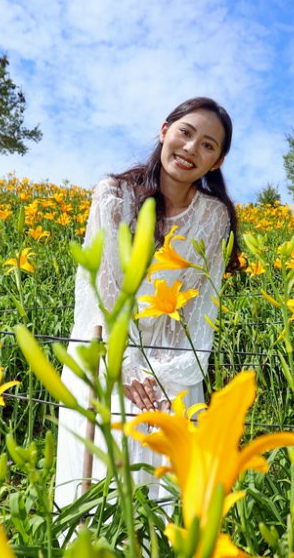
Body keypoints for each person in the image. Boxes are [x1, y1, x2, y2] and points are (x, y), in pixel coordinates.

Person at [55, 97, 240, 510]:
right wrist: (128, 366)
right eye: (186, 133)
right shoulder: (114, 195)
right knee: (100, 490)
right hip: (108, 356)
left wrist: (161, 373)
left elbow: (202, 307)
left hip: (174, 368)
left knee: (162, 504)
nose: (192, 148)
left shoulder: (214, 216)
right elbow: (100, 292)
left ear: (218, 162)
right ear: (164, 131)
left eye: (208, 145)